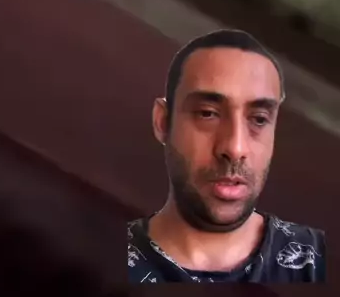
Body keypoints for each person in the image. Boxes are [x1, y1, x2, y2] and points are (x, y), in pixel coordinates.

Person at [128, 29, 326, 283]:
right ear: (163, 121)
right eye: (207, 114)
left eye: (259, 119)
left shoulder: (316, 259)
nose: (235, 148)